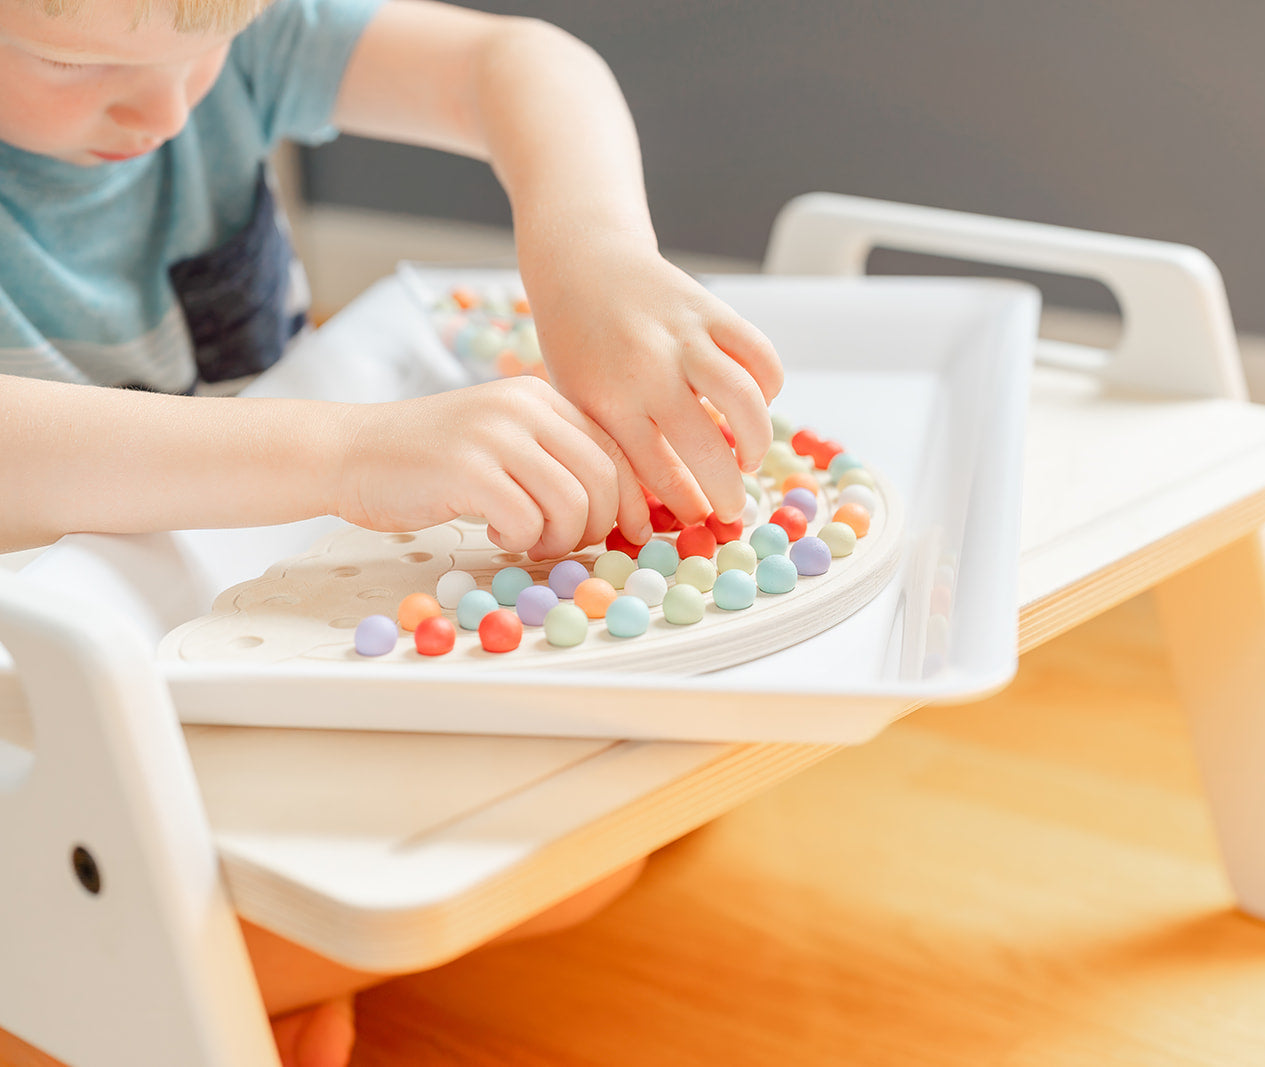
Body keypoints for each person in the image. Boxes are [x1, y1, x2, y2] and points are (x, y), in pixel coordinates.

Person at [0, 0, 783, 1060]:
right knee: (554, 866)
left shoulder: (190, 45)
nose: (169, 108)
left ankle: (191, 973)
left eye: (209, 49)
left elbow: (513, 59)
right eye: (69, 62)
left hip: (204, 601)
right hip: (31, 665)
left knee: (596, 828)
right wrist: (345, 454)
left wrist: (585, 250)